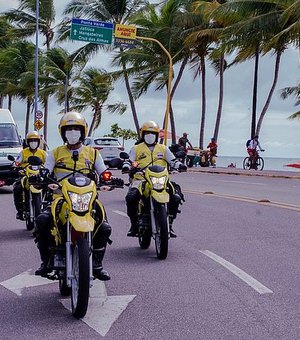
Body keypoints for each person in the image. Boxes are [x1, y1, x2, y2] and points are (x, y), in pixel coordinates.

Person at [34, 111, 111, 281]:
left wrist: (109, 179)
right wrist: (41, 177)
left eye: (76, 129)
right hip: (60, 198)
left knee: (104, 226)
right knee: (42, 221)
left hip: (88, 199)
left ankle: (97, 264)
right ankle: (46, 261)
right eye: (69, 130)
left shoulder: (93, 153)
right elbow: (46, 169)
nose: (73, 133)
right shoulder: (55, 153)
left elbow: (104, 172)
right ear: (63, 132)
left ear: (83, 131)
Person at [122, 121, 187, 238]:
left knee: (176, 197)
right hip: (141, 179)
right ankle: (134, 224)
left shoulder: (163, 148)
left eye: (152, 133)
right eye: (147, 133)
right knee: (131, 197)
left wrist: (180, 165)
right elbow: (129, 161)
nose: (150, 136)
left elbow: (173, 161)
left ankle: (170, 224)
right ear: (143, 134)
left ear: (157, 135)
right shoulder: (136, 148)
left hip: (161, 179)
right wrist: (127, 166)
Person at [13, 131, 47, 220]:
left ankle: (47, 205)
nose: (33, 142)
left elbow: (48, 163)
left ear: (39, 142)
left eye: (35, 140)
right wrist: (16, 166)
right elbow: (17, 162)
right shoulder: (23, 153)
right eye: (31, 140)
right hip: (26, 175)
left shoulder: (43, 153)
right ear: (27, 142)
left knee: (49, 187)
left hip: (39, 176)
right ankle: (20, 210)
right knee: (17, 188)